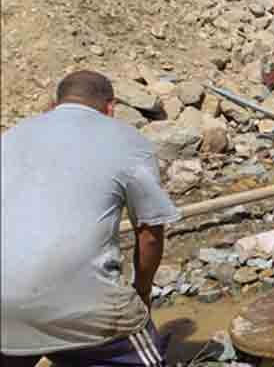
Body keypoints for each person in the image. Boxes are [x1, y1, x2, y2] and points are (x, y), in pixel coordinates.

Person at [1, 71, 180, 367]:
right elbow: (149, 234)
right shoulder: (129, 141)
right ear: (111, 108)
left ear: (53, 104)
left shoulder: (9, 138)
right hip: (82, 305)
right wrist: (142, 293)